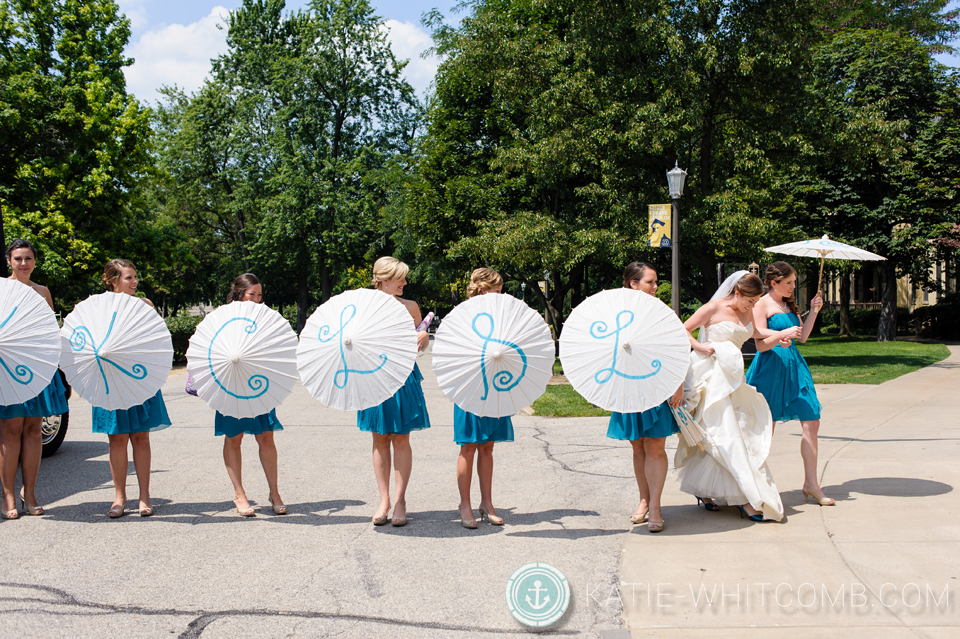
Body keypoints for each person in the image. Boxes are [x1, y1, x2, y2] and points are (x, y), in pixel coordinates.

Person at [674, 271, 801, 522]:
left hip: (733, 378)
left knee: (734, 434)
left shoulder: (748, 311)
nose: (753, 307)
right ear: (737, 292)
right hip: (709, 376)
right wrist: (698, 346)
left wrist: (778, 338)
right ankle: (747, 499)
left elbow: (759, 342)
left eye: (756, 303)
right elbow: (681, 330)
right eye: (750, 301)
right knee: (723, 433)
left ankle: (707, 490)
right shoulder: (712, 308)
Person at [746, 261, 833, 506]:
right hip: (770, 368)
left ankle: (811, 484)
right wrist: (779, 337)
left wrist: (814, 311)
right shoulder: (762, 303)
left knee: (812, 420)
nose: (793, 287)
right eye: (789, 283)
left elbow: (802, 337)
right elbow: (759, 341)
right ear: (773, 283)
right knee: (766, 429)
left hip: (795, 366)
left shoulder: (788, 305)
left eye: (794, 282)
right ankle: (756, 486)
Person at [606, 263, 683, 533]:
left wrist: (679, 384)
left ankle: (656, 507)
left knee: (655, 447)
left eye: (656, 281)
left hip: (658, 385)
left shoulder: (662, 313)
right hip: (627, 387)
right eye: (650, 282)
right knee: (637, 447)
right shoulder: (615, 312)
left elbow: (678, 348)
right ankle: (643, 499)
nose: (655, 287)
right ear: (632, 284)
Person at [94, 259, 171, 518]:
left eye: (135, 277)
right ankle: (119, 497)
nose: (135, 282)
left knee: (141, 437)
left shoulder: (145, 305)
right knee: (116, 438)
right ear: (112, 280)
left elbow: (156, 341)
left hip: (140, 379)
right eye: (128, 278)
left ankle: (144, 495)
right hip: (111, 381)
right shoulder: (97, 307)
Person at [357, 257, 431, 527]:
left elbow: (417, 347)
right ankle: (383, 500)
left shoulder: (411, 307)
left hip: (403, 377)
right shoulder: (363, 306)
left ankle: (400, 500)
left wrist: (422, 339)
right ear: (383, 279)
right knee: (379, 439)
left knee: (401, 438)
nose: (405, 283)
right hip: (373, 377)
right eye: (400, 278)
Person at [0, 239, 68, 519]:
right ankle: (8, 496)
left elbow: (50, 331)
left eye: (28, 258)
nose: (23, 263)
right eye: (18, 259)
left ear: (35, 261)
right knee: (10, 431)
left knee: (33, 431)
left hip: (38, 369)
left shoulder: (42, 292)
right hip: (8, 370)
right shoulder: (1, 289)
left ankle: (31, 492)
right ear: (9, 261)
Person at [216, 274, 287, 517]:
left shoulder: (266, 317)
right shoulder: (222, 317)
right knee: (233, 438)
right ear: (238, 293)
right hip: (231, 385)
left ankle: (274, 492)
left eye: (259, 295)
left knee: (266, 438)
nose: (256, 299)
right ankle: (239, 494)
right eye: (251, 294)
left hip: (260, 386)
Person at [455, 268, 514, 529]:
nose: (501, 296)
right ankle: (464, 504)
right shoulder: (462, 315)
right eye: (497, 291)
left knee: (488, 446)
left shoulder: (503, 317)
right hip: (469, 387)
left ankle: (487, 502)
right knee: (468, 446)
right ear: (482, 290)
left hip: (497, 385)